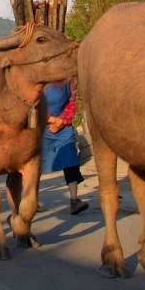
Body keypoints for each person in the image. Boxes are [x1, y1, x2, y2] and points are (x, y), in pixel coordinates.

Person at [42, 77, 89, 215]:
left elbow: (72, 101)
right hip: (41, 126)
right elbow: (34, 103)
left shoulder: (70, 79)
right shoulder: (40, 78)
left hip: (63, 125)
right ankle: (32, 201)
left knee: (71, 159)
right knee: (34, 165)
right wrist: (51, 119)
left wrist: (62, 121)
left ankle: (74, 200)